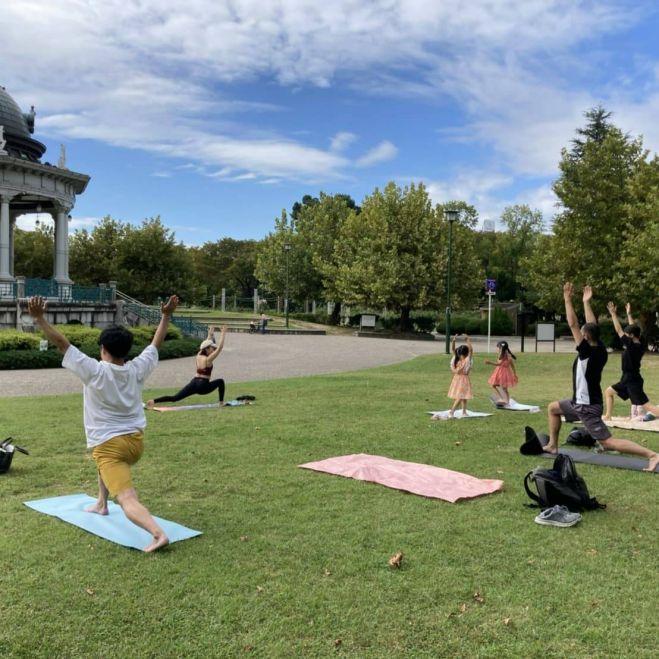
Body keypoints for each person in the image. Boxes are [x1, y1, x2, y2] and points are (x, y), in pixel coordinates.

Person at [28, 294, 179, 552]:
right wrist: (165, 316)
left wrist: (40, 319)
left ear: (103, 349)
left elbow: (62, 343)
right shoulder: (137, 368)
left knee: (127, 497)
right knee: (103, 463)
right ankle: (101, 503)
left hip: (110, 446)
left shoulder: (95, 371)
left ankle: (157, 534)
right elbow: (155, 344)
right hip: (135, 442)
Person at [543, 283, 658, 472]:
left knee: (608, 442)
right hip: (578, 402)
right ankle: (553, 445)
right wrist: (586, 303)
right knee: (553, 408)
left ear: (586, 337)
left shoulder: (587, 353)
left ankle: (653, 455)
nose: (579, 333)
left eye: (582, 333)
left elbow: (573, 324)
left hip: (587, 406)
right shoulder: (600, 349)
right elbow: (592, 326)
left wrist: (567, 299)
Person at [146, 325, 227, 409]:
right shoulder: (208, 360)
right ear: (206, 349)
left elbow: (204, 345)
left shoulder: (198, 355)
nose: (213, 350)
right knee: (220, 381)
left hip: (194, 383)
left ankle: (154, 401)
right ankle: (221, 402)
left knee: (175, 398)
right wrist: (223, 333)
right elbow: (220, 348)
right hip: (203, 386)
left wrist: (210, 334)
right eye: (212, 348)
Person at [604, 302, 659, 421]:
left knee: (647, 406)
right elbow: (633, 327)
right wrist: (629, 314)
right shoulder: (640, 342)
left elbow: (618, 330)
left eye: (627, 334)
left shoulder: (632, 346)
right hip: (627, 378)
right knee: (609, 392)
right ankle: (608, 416)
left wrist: (613, 314)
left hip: (632, 380)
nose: (626, 335)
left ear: (632, 336)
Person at [445, 334, 474, 418]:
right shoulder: (464, 358)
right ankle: (452, 411)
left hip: (460, 378)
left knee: (464, 396)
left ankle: (464, 411)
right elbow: (454, 349)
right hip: (461, 379)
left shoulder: (462, 358)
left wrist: (455, 341)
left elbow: (454, 349)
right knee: (460, 396)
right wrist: (466, 340)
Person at [485, 340, 518, 405]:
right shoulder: (506, 354)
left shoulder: (505, 355)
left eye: (499, 347)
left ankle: (506, 401)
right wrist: (514, 373)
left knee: (504, 388)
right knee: (495, 385)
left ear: (502, 347)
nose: (498, 349)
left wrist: (489, 363)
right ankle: (503, 398)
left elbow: (499, 364)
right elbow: (512, 365)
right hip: (500, 372)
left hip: (503, 373)